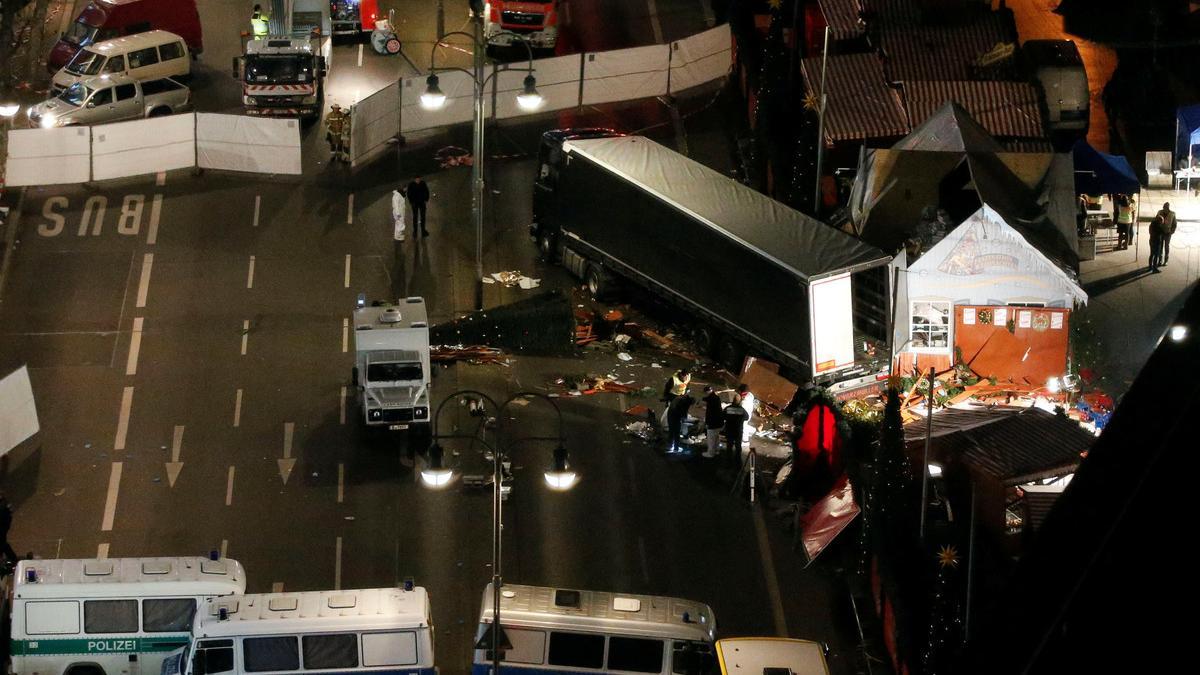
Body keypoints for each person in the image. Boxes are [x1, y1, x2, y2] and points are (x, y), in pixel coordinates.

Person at [665, 390, 695, 454]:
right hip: (675, 417)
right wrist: (685, 420)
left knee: (671, 431)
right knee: (676, 433)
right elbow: (683, 414)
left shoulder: (680, 397)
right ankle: (676, 448)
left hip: (670, 415)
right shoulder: (685, 403)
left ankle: (669, 446)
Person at [723, 395, 749, 467]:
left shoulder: (728, 408)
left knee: (729, 446)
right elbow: (747, 418)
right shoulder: (742, 410)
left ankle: (728, 461)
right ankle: (738, 461)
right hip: (738, 431)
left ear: (733, 400)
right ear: (739, 401)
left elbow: (723, 416)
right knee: (738, 446)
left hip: (729, 430)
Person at [701, 386, 724, 459]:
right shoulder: (715, 397)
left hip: (713, 423)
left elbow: (710, 414)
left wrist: (707, 423)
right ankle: (717, 450)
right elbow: (707, 398)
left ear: (706, 392)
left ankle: (710, 453)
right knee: (716, 437)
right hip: (719, 422)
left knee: (711, 438)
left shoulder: (711, 399)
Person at [0, 494, 17, 565]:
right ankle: (13, 558)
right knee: (2, 543)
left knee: (2, 543)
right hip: (3, 526)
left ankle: (13, 559)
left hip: (2, 527)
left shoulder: (5, 510)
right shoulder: (5, 508)